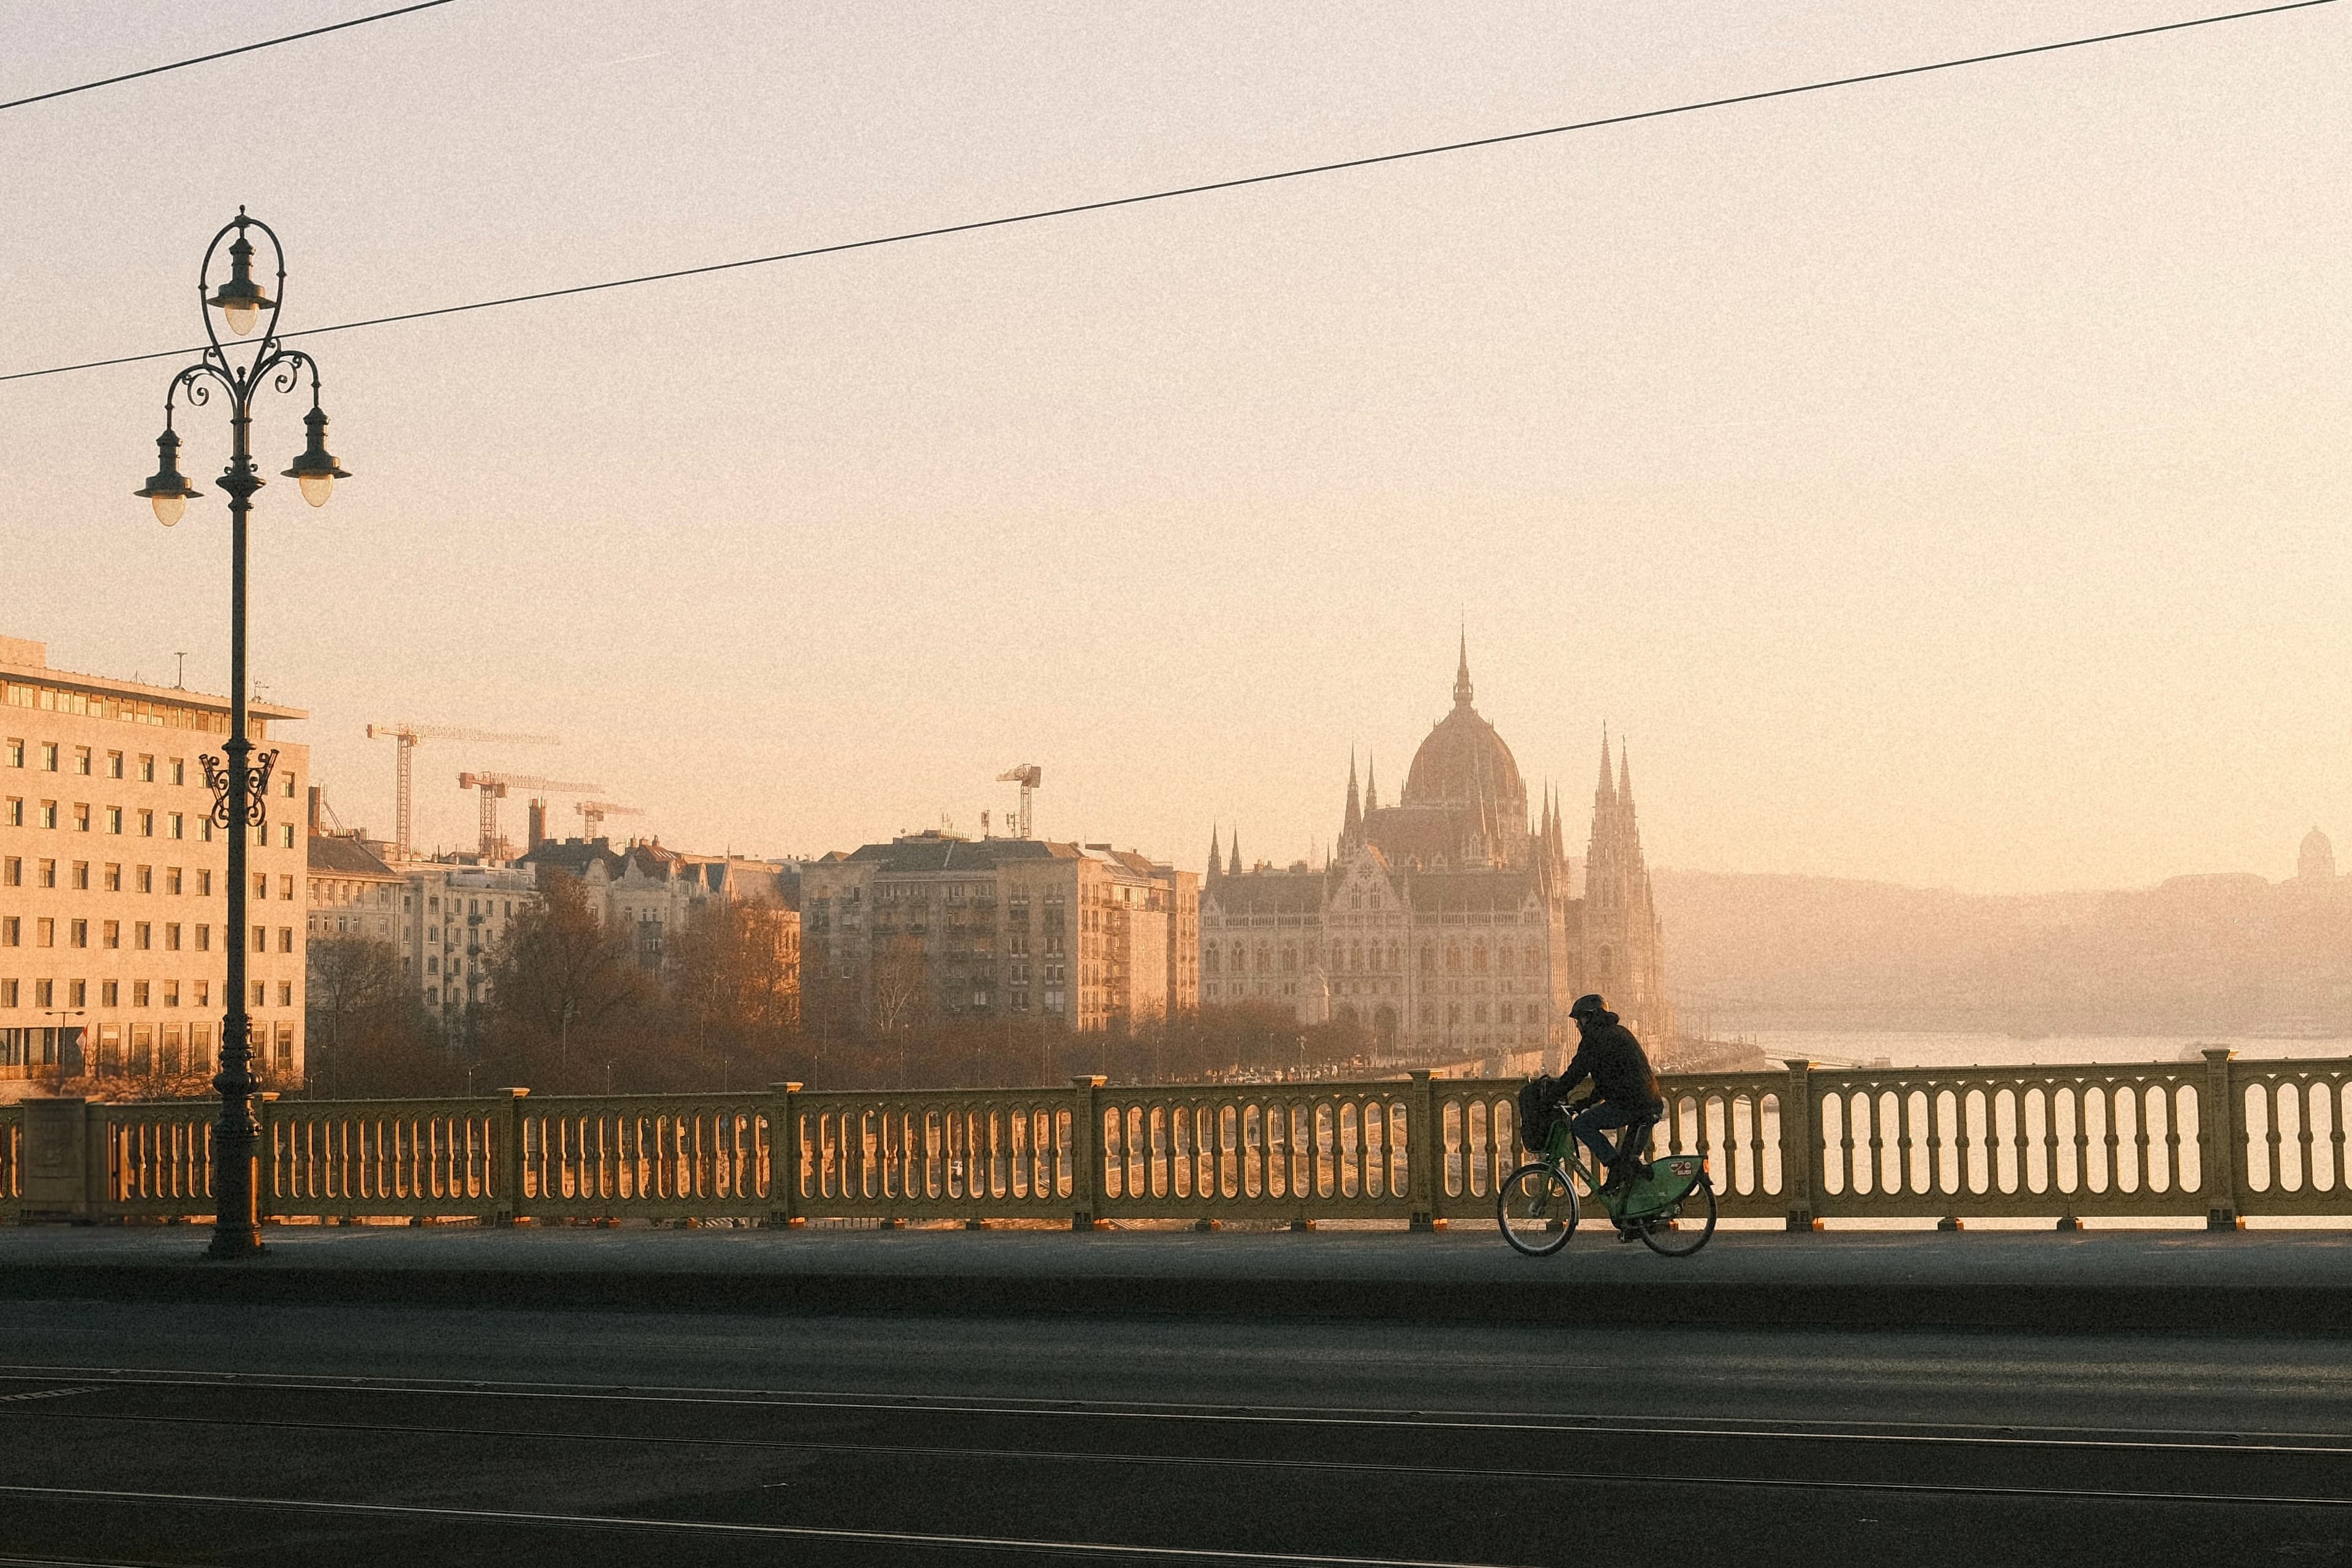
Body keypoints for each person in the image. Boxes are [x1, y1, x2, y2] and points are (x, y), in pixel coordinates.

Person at [1558, 994, 1663, 1194]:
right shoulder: (1618, 1032)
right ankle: (1632, 1211)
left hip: (1634, 1105)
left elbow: (1575, 1074)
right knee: (1628, 1163)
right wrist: (1587, 1102)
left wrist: (1550, 1098)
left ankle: (1615, 1167)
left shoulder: (1595, 1038)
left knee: (1582, 1124)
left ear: (1588, 1018)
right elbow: (1610, 1078)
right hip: (1647, 1102)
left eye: (1579, 1020)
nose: (1578, 1026)